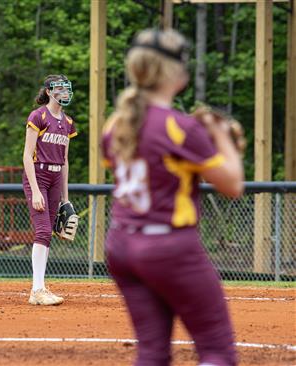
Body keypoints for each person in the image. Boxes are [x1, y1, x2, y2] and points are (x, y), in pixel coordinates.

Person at [102, 29, 244, 366]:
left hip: (121, 243)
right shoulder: (178, 126)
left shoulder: (115, 123)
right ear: (176, 75)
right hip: (168, 246)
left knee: (152, 353)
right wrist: (220, 136)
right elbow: (233, 185)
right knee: (217, 351)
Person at [23, 74, 77, 306]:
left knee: (49, 235)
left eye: (66, 89)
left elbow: (65, 161)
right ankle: (36, 290)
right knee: (43, 231)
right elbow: (26, 155)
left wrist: (66, 197)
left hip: (56, 177)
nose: (64, 93)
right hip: (38, 174)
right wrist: (35, 189)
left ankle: (40, 287)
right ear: (48, 92)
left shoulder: (68, 122)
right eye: (60, 89)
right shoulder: (38, 116)